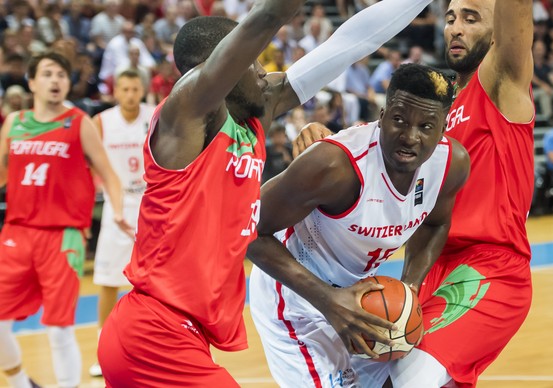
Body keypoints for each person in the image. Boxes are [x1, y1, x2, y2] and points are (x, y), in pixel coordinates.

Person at [96, 0, 442, 385]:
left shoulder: (255, 114)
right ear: (221, 65)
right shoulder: (184, 116)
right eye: (253, 60)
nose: (265, 71)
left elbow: (348, 44)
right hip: (153, 334)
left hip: (182, 336)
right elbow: (268, 15)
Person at [295, 0, 537, 386]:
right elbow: (373, 148)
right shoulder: (434, 115)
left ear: (496, 34)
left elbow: (516, 17)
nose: (456, 27)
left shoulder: (501, 85)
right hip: (429, 266)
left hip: (488, 268)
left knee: (409, 380)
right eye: (451, 18)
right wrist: (319, 134)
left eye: (472, 18)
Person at [248, 64, 470, 387]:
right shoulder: (335, 166)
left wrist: (410, 286)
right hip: (294, 300)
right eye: (399, 120)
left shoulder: (451, 165)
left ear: (443, 128)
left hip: (358, 298)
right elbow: (248, 226)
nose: (410, 136)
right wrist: (328, 300)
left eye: (426, 126)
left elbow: (435, 224)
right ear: (381, 115)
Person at [0, 51, 130, 388]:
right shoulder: (14, 123)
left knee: (58, 327)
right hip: (17, 232)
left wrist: (117, 210)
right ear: (31, 82)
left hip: (63, 236)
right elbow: (2, 172)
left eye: (61, 74)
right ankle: (20, 383)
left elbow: (109, 175)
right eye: (47, 74)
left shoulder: (77, 123)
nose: (55, 80)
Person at [89, 69, 155, 378]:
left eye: (134, 88)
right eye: (124, 89)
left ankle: (152, 346)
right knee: (106, 279)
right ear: (116, 91)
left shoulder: (155, 115)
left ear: (142, 90)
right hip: (118, 205)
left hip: (151, 206)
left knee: (154, 282)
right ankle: (103, 347)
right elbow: (86, 161)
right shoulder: (101, 121)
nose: (130, 94)